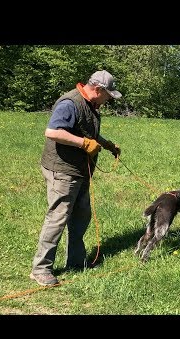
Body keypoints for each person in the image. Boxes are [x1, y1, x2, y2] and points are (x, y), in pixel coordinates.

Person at [30, 70, 122, 286]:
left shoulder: (90, 105)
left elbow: (86, 131)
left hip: (80, 170)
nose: (108, 100)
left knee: (81, 216)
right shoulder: (70, 103)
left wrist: (106, 144)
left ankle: (76, 261)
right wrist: (83, 144)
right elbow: (53, 132)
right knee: (58, 217)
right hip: (63, 170)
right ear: (98, 89)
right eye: (108, 95)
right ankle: (40, 269)